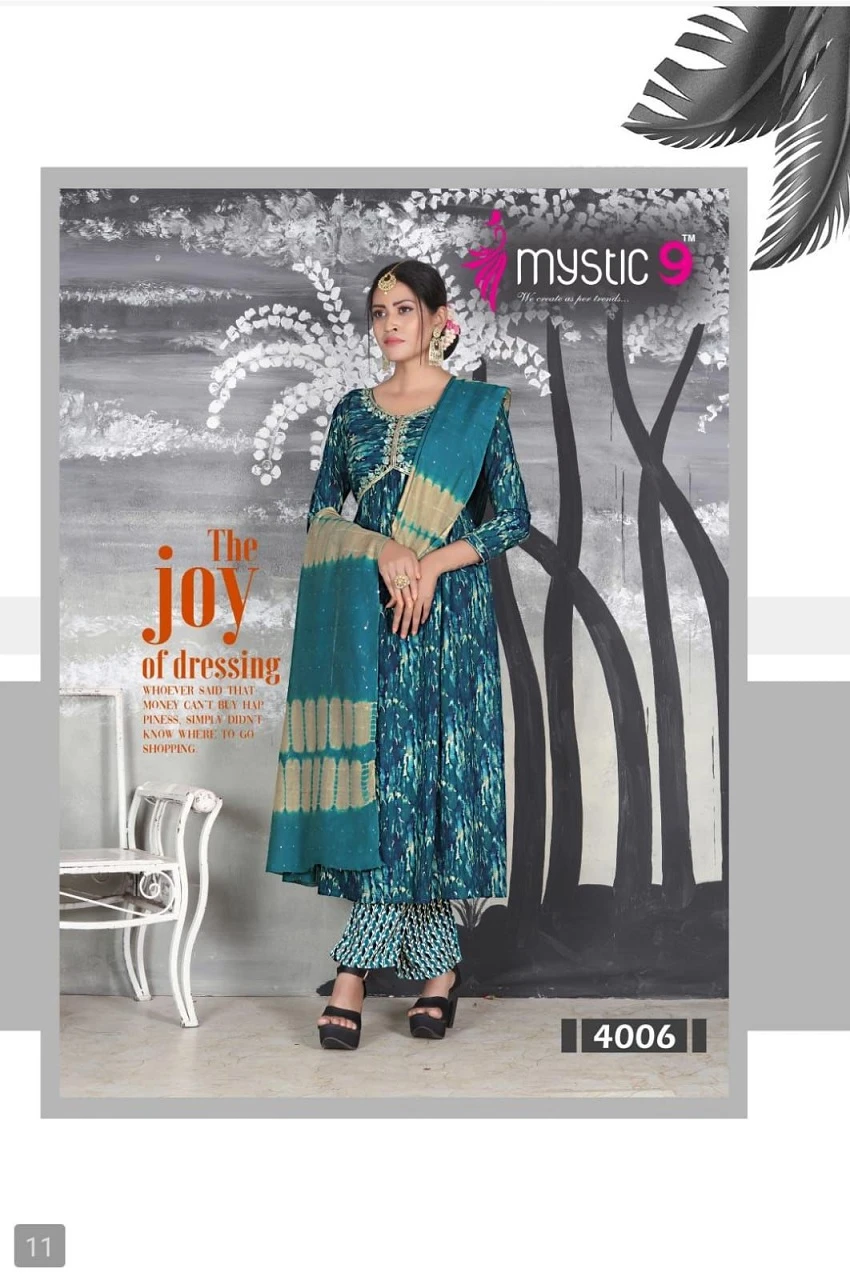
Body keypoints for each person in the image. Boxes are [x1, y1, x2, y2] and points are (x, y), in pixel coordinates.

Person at [265, 258, 531, 1049]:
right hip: (370, 618)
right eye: (379, 312)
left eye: (404, 309)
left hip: (449, 621)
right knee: (383, 788)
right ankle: (438, 970)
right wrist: (383, 550)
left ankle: (353, 972)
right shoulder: (352, 413)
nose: (388, 324)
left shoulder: (476, 410)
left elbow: (511, 518)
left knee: (431, 783)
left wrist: (432, 563)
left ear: (439, 319)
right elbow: (322, 515)